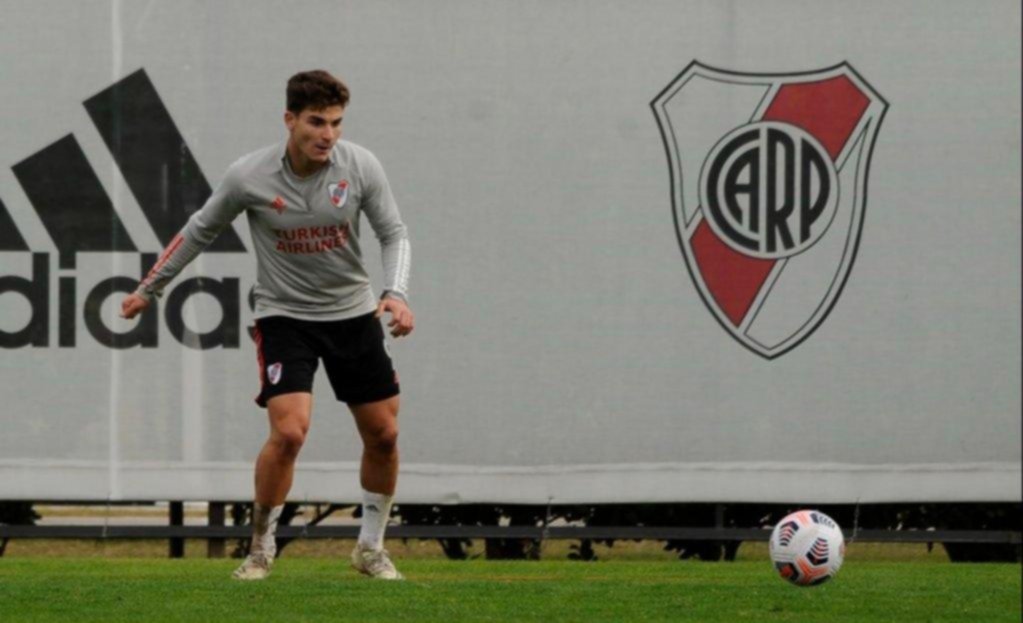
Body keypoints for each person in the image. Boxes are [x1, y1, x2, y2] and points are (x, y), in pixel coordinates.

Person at [120, 70, 413, 581]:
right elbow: (197, 233)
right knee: (290, 432)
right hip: (284, 316)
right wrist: (150, 288)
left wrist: (397, 293)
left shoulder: (360, 166)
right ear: (290, 120)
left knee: (384, 434)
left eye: (337, 123)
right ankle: (259, 548)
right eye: (316, 122)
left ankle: (369, 548)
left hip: (353, 314)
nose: (328, 135)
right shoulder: (248, 175)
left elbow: (394, 233)